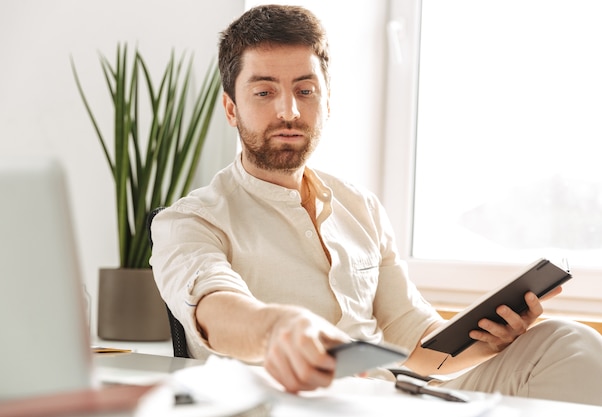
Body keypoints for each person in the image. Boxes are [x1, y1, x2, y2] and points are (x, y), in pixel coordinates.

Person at [150, 4, 602, 405]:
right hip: (291, 401)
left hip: (396, 394)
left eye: (305, 90)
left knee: (570, 342)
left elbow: (416, 337)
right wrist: (276, 330)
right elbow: (214, 304)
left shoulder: (360, 206)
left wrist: (488, 338)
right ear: (231, 108)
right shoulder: (188, 222)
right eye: (264, 92)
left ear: (326, 100)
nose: (288, 111)